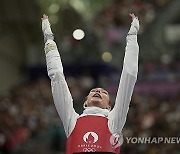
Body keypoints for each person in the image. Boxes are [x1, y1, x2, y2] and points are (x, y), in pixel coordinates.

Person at [41, 13, 139, 153]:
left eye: (104, 92)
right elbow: (56, 77)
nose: (98, 91)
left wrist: (132, 37)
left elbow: (129, 76)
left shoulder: (114, 121)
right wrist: (48, 38)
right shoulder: (72, 121)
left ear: (110, 107)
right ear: (85, 102)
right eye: (93, 91)